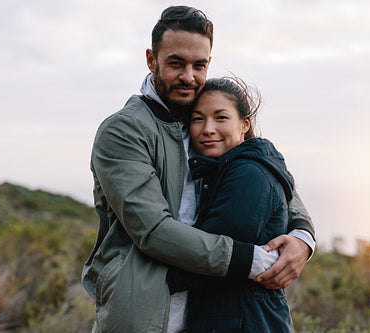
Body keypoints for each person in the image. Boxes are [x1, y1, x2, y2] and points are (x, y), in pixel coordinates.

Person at [82, 6, 315, 332]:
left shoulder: (208, 116)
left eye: (199, 65)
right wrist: (254, 260)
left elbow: (263, 172)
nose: (189, 76)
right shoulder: (124, 130)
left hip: (209, 311)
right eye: (176, 63)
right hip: (143, 311)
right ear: (152, 60)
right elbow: (152, 231)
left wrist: (303, 236)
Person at [166, 77, 296, 332]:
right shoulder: (222, 171)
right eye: (198, 119)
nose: (208, 129)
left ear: (245, 124)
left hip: (245, 321)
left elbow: (206, 259)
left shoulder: (250, 174)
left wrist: (137, 278)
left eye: (221, 117)